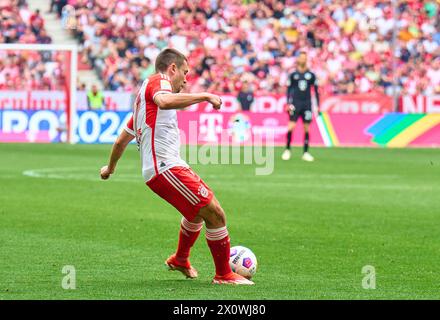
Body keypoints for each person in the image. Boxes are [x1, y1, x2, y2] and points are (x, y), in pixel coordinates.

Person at [100, 48, 254, 285]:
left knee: (196, 214)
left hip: (164, 167)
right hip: (165, 168)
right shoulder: (158, 83)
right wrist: (204, 95)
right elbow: (165, 99)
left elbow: (122, 139)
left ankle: (181, 259)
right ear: (172, 69)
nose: (186, 79)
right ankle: (224, 274)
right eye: (185, 72)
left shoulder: (143, 101)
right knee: (215, 213)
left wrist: (109, 168)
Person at [282, 51, 320, 162]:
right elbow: (289, 90)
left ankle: (306, 152)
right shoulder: (293, 74)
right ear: (298, 60)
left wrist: (317, 105)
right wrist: (288, 103)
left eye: (304, 58)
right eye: (301, 58)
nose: (303, 60)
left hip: (307, 103)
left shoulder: (311, 75)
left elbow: (316, 91)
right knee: (291, 126)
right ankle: (287, 150)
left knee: (307, 128)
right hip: (295, 103)